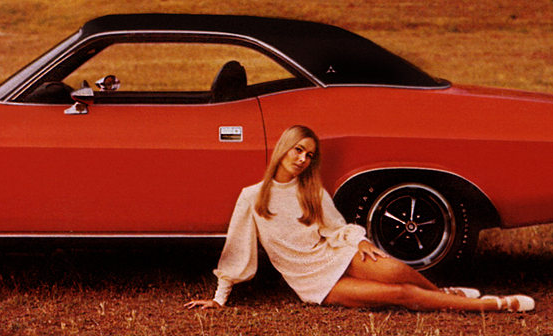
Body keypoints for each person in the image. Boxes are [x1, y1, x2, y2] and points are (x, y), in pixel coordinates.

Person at [186, 125, 534, 313]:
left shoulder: (311, 190)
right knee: (398, 294)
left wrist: (362, 241)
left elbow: (336, 229)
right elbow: (236, 249)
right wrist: (219, 297)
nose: (303, 159)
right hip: (313, 282)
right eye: (298, 150)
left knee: (396, 270)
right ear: (283, 149)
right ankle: (488, 305)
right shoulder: (252, 197)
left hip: (336, 255)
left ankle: (444, 294)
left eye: (309, 155)